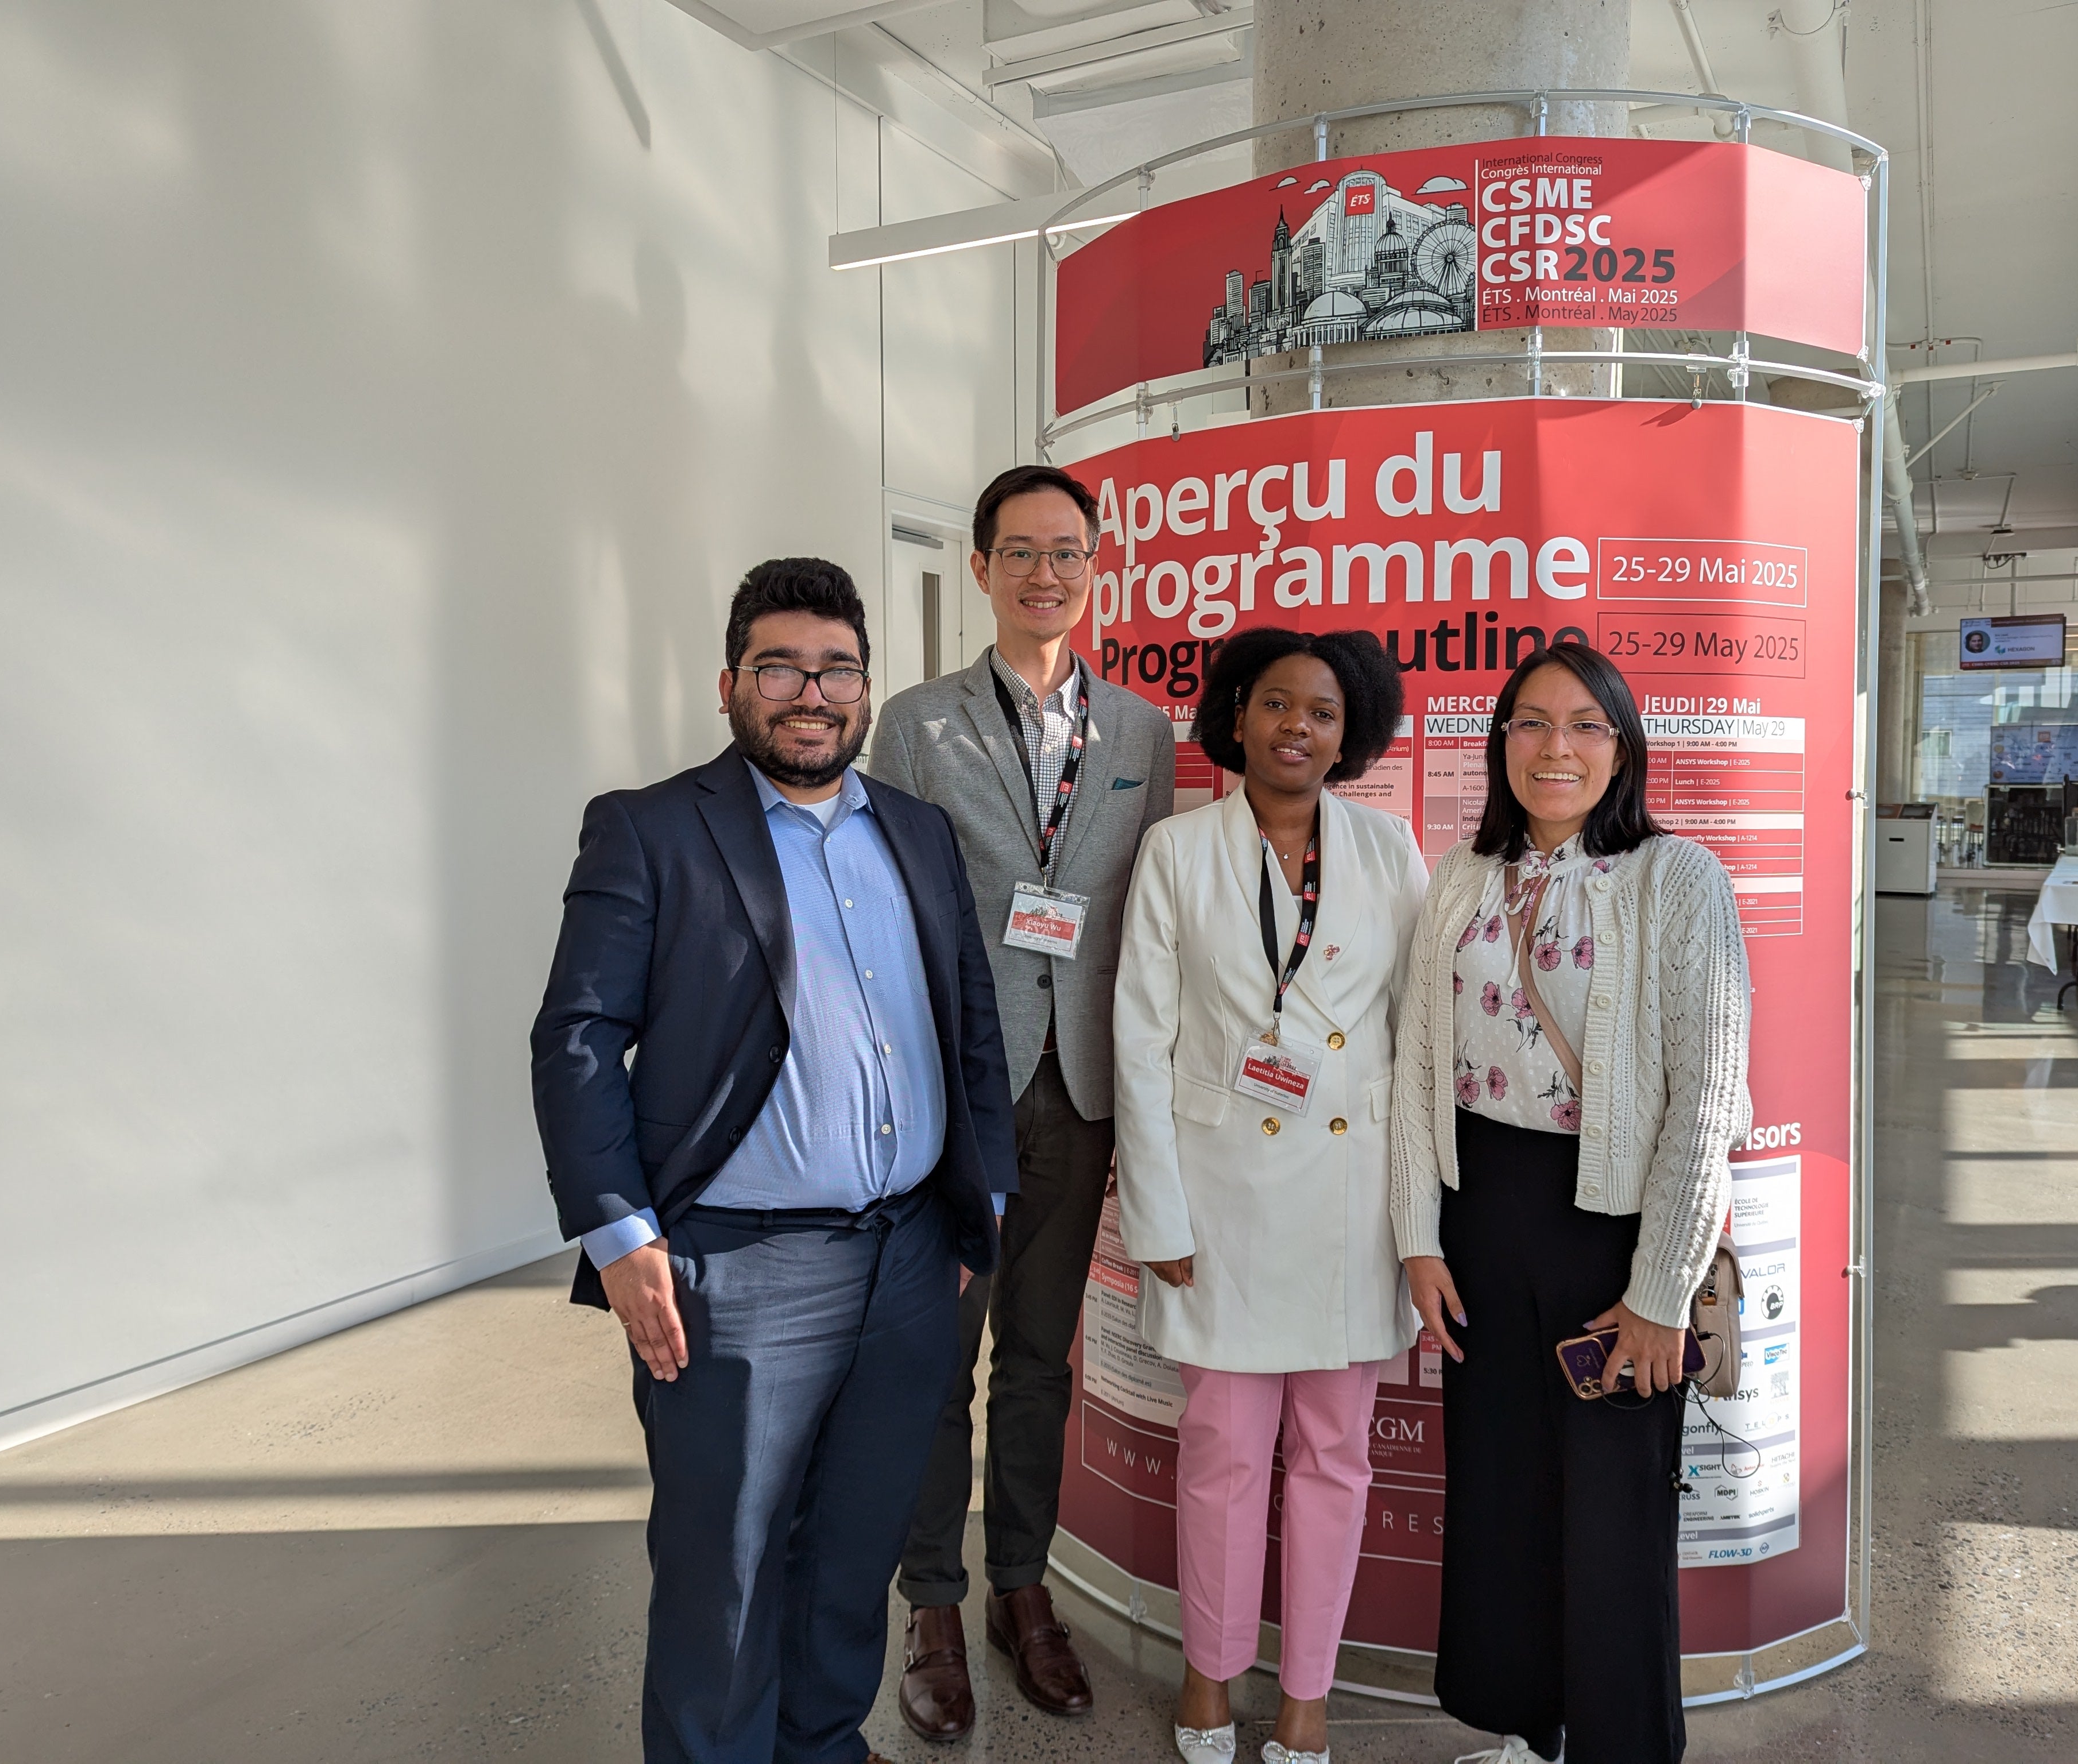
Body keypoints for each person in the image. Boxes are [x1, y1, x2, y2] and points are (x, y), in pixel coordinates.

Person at [529, 558, 1019, 1764]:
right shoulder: (652, 828)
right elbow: (578, 1036)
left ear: (866, 687)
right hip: (733, 1272)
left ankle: (820, 1747)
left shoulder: (917, 831)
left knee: (851, 1560)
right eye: (782, 667)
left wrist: (977, 1208)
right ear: (730, 685)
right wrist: (622, 1232)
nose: (812, 691)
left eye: (836, 667)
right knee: (728, 1575)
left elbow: (972, 1026)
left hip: (905, 1259)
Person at [1388, 641, 1751, 1764]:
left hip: (1613, 1235)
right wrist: (1416, 1237)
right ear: (1500, 745)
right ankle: (1523, 1734)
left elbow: (1709, 1100)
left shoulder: (1675, 879)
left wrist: (1660, 1291)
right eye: (1532, 724)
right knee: (1501, 1503)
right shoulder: (1459, 875)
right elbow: (1411, 1068)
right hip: (1480, 1222)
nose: (1558, 748)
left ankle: (1618, 1747)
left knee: (1613, 1526)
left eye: (1587, 725)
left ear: (1623, 746)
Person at [870, 464, 1177, 1736]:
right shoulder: (916, 724)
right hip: (957, 1087)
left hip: (1084, 1086)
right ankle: (931, 1604)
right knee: (939, 1359)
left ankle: (1020, 1590)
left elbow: (1148, 923)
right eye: (1021, 552)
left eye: (1069, 552)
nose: (1045, 574)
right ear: (983, 568)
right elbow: (882, 915)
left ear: (1096, 570)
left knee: (1043, 1358)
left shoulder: (1144, 735)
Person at [1112, 627, 1430, 1764]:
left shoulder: (1393, 851)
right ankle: (1211, 1676)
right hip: (1220, 1211)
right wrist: (1156, 1219)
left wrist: (1415, 1225)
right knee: (1224, 1457)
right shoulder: (1177, 853)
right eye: (1277, 704)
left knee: (1338, 1461)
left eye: (1325, 712)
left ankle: (1307, 1695)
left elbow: (1420, 1046)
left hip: (1350, 1212)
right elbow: (1138, 1044)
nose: (1300, 726)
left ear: (1353, 736)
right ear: (1236, 720)